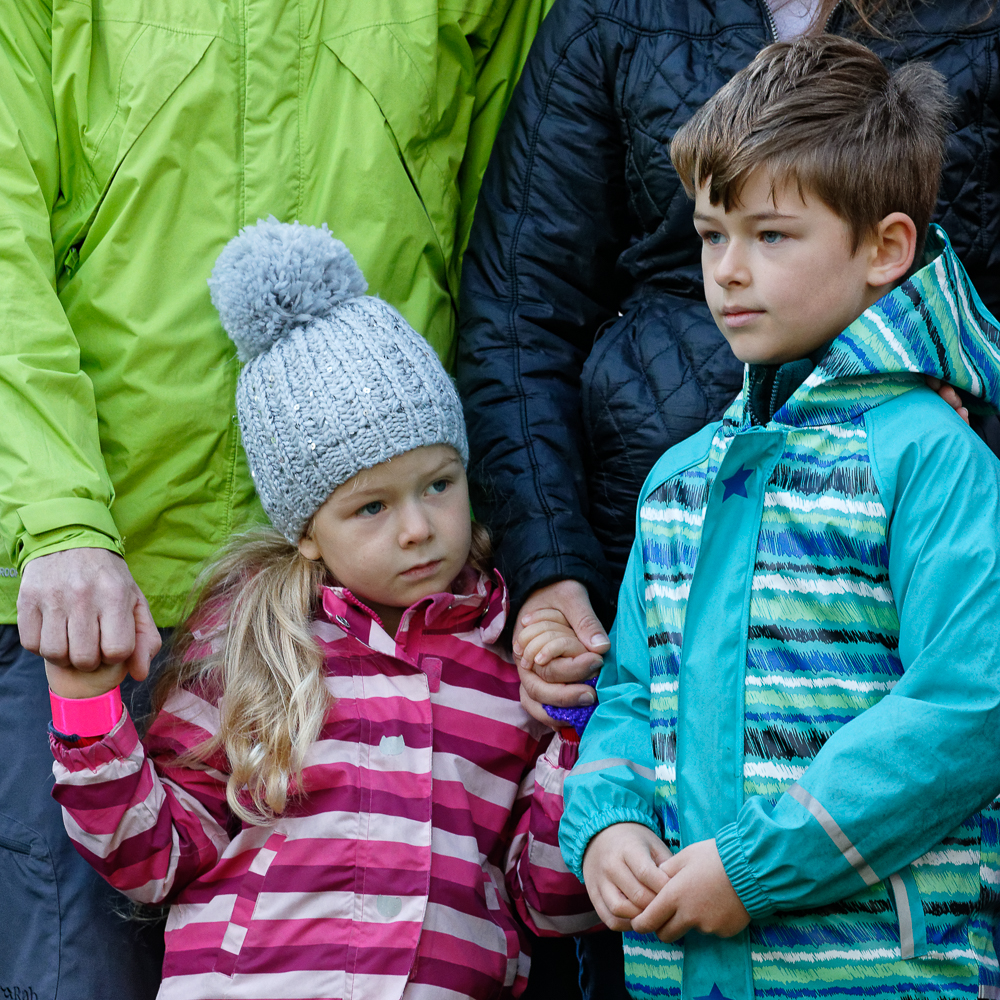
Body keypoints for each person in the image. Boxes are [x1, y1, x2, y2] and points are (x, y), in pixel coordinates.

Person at [0, 1, 555, 995]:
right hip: (98, 599)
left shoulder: (484, 649)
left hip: (391, 611)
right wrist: (62, 521)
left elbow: (512, 259)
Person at [42, 219, 598, 1000]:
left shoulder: (508, 657)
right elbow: (152, 858)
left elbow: (551, 903)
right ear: (306, 531)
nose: (418, 527)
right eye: (371, 507)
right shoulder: (252, 646)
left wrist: (575, 734)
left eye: (439, 484)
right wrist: (85, 710)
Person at [559, 36, 1000, 998]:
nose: (727, 270)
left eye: (770, 236)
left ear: (885, 249)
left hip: (884, 976)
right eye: (712, 233)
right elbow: (629, 696)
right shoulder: (677, 481)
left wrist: (757, 866)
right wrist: (607, 822)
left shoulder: (931, 459)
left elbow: (969, 705)